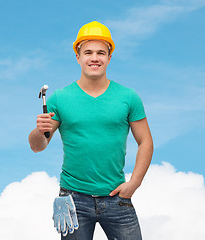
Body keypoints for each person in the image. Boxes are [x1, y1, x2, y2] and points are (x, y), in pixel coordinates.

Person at [29, 21, 153, 240]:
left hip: (117, 198)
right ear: (78, 57)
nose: (94, 58)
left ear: (109, 57)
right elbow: (38, 146)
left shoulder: (128, 97)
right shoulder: (60, 98)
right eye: (88, 52)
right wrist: (39, 131)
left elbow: (145, 141)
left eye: (100, 53)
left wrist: (134, 183)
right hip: (73, 200)